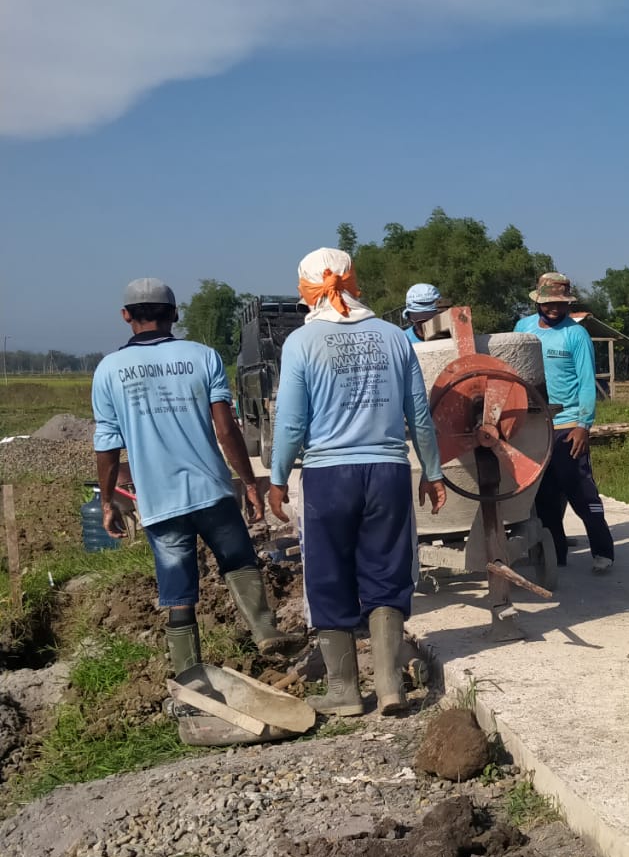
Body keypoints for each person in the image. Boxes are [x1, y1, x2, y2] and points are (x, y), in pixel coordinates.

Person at [267, 248, 447, 717]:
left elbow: (289, 423)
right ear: (353, 282)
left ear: (309, 292)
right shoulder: (393, 337)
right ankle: (390, 686)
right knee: (387, 571)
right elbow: (419, 417)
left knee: (329, 575)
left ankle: (345, 690)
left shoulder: (300, 345)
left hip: (329, 476)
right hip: (387, 471)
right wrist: (432, 471)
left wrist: (277, 476)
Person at [92, 278, 294, 676]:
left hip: (158, 499)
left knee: (177, 590)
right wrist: (250, 482)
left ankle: (190, 674)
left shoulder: (109, 370)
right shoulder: (202, 357)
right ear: (175, 314)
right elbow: (226, 429)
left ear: (126, 316)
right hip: (212, 490)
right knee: (238, 559)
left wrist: (106, 500)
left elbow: (107, 445)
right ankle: (266, 631)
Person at [514, 273, 615, 574]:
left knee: (581, 491)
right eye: (549, 303)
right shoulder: (523, 329)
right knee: (543, 496)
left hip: (567, 424)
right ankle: (554, 554)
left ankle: (602, 550)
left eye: (560, 303)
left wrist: (583, 425)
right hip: (533, 425)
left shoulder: (576, 335)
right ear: (538, 302)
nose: (555, 308)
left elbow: (587, 382)